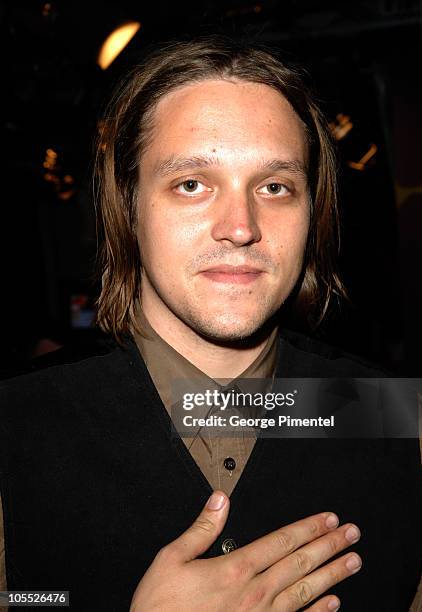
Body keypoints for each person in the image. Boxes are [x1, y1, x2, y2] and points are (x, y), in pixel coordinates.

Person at [0, 38, 420, 611]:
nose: (241, 227)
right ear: (128, 206)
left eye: (275, 187)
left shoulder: (396, 420)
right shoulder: (17, 426)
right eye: (192, 184)